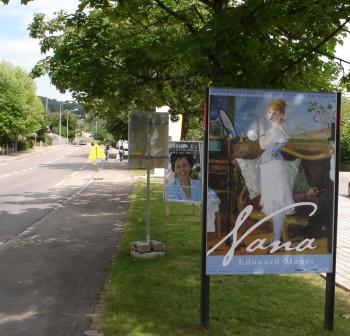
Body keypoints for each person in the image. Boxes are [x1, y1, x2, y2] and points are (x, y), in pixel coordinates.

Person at [258, 99, 295, 242]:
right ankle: (276, 237)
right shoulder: (275, 130)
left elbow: (262, 145)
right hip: (270, 168)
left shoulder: (277, 131)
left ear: (281, 115)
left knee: (277, 203)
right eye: (269, 112)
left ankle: (276, 238)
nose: (271, 116)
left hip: (275, 169)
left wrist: (261, 127)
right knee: (274, 205)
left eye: (275, 113)